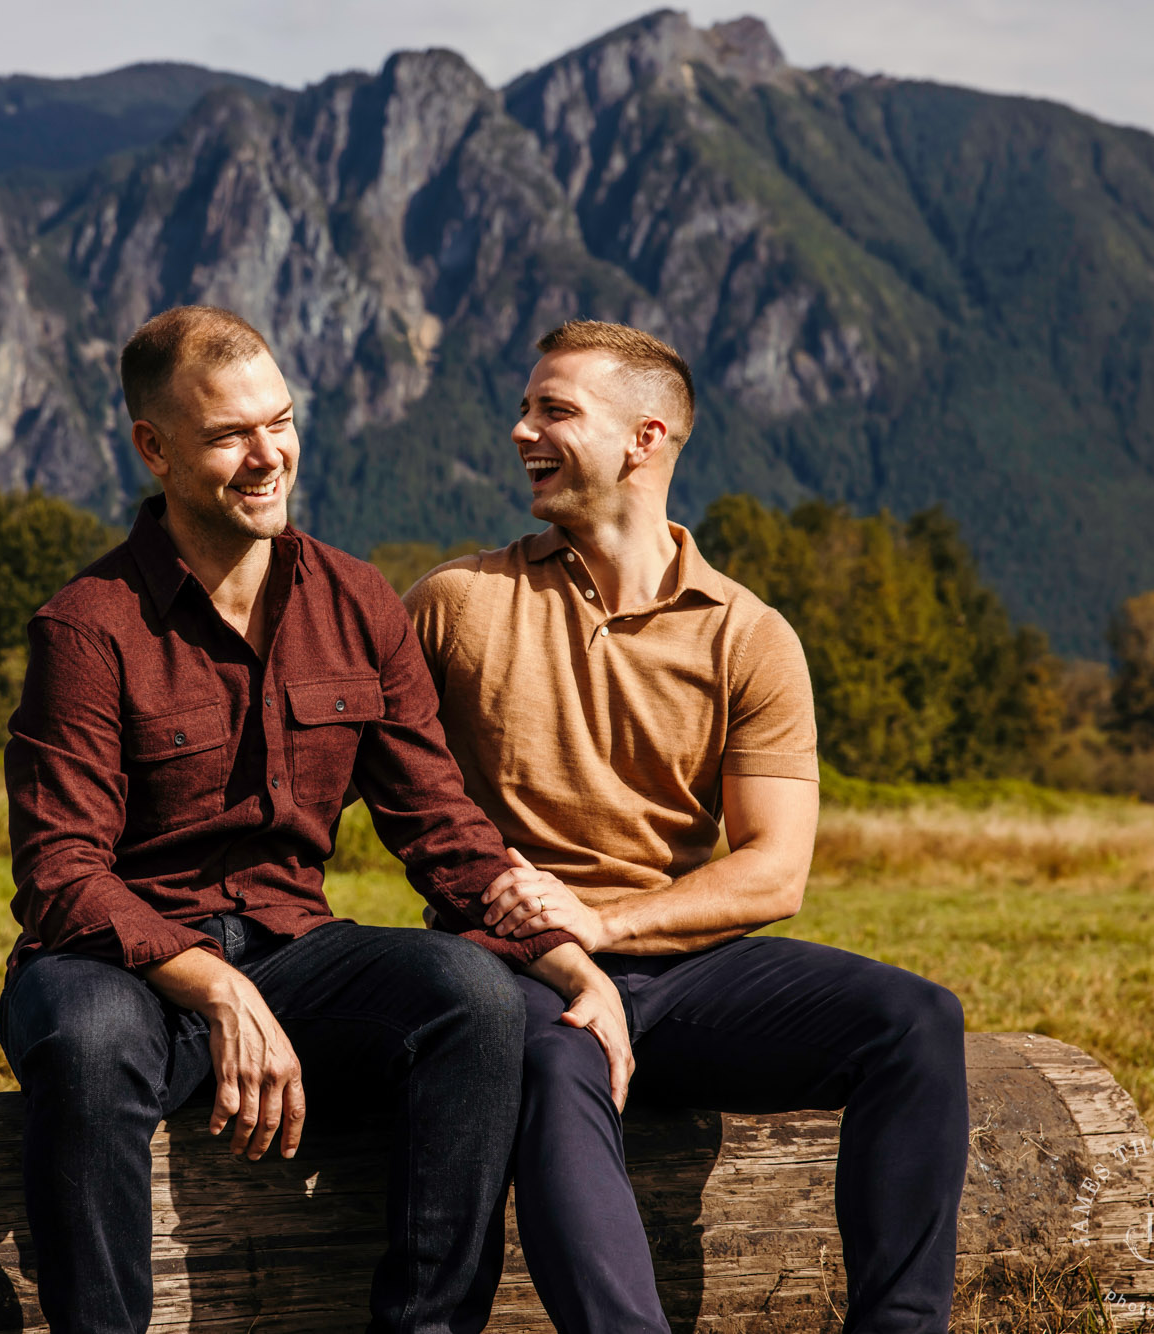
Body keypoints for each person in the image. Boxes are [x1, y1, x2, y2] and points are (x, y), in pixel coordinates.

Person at [0, 305, 627, 1334]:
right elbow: (61, 873)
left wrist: (566, 958)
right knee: (86, 1034)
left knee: (473, 993)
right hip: (119, 963)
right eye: (228, 434)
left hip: (294, 952)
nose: (266, 455)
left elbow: (438, 823)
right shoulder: (87, 625)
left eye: (279, 421)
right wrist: (216, 990)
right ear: (152, 448)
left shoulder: (357, 600)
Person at [404, 320, 971, 1334]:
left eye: (552, 410)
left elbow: (772, 871)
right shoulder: (458, 602)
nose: (518, 428)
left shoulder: (747, 635)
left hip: (680, 966)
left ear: (643, 436)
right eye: (526, 406)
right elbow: (368, 768)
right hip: (514, 966)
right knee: (553, 1052)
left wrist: (606, 925)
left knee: (915, 1018)